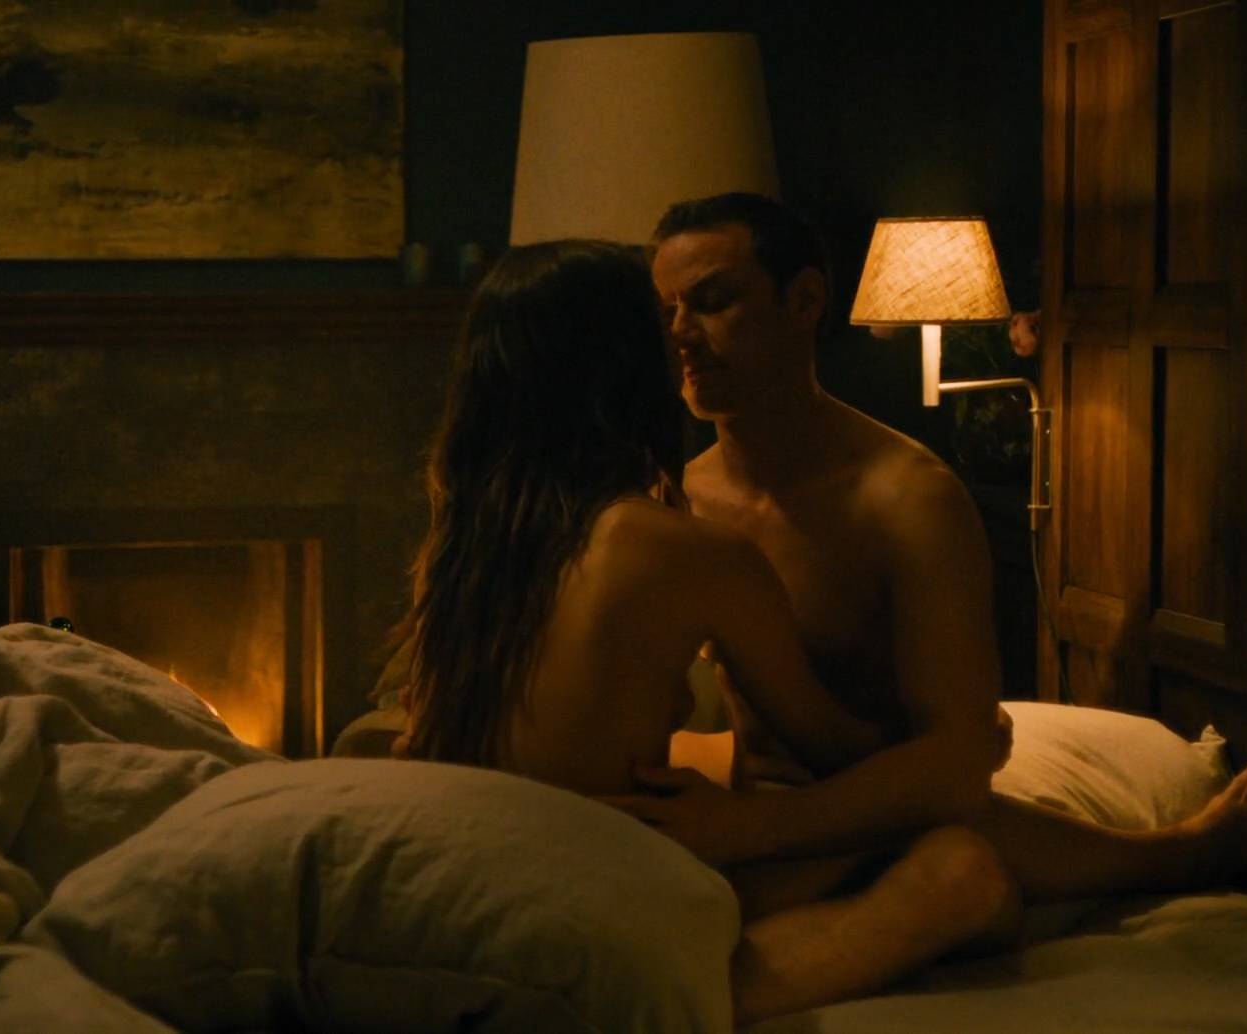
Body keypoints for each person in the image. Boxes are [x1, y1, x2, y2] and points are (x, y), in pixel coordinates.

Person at [392, 239, 1024, 1024]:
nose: (682, 337)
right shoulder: (681, 549)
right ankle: (660, 1002)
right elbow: (834, 752)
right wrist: (962, 751)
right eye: (662, 323)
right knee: (962, 867)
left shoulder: (461, 548)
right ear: (627, 365)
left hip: (465, 883)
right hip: (582, 898)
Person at [619, 192, 1247, 905]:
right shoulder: (678, 497)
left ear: (803, 300)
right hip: (768, 812)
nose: (680, 334)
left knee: (962, 848)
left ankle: (1171, 856)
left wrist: (752, 828)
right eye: (666, 311)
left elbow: (956, 768)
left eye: (712, 302)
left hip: (893, 813)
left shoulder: (906, 498)